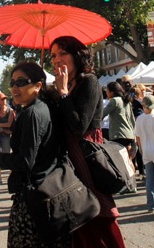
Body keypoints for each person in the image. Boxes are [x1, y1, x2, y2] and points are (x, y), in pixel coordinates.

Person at [51, 35, 125, 248]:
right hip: (68, 165)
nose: (57, 59)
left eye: (63, 53)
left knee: (97, 216)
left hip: (87, 161)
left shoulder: (89, 82)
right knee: (78, 225)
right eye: (54, 55)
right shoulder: (66, 85)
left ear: (77, 55)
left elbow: (78, 126)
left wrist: (63, 93)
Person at [0, 61, 62, 247]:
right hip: (47, 193)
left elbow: (25, 162)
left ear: (38, 85)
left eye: (21, 82)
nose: (14, 88)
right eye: (12, 83)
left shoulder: (33, 113)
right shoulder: (42, 108)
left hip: (34, 198)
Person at [101, 81, 136, 192]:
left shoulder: (115, 101)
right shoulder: (127, 101)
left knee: (122, 161)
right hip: (129, 133)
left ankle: (128, 185)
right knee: (128, 160)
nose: (106, 92)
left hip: (118, 134)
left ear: (111, 91)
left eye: (107, 90)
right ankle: (133, 184)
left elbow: (103, 113)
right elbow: (132, 119)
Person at [0, 93, 15, 185]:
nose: (4, 100)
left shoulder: (10, 111)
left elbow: (9, 124)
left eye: (5, 98)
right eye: (2, 99)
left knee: (6, 154)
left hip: (5, 135)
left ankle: (10, 176)